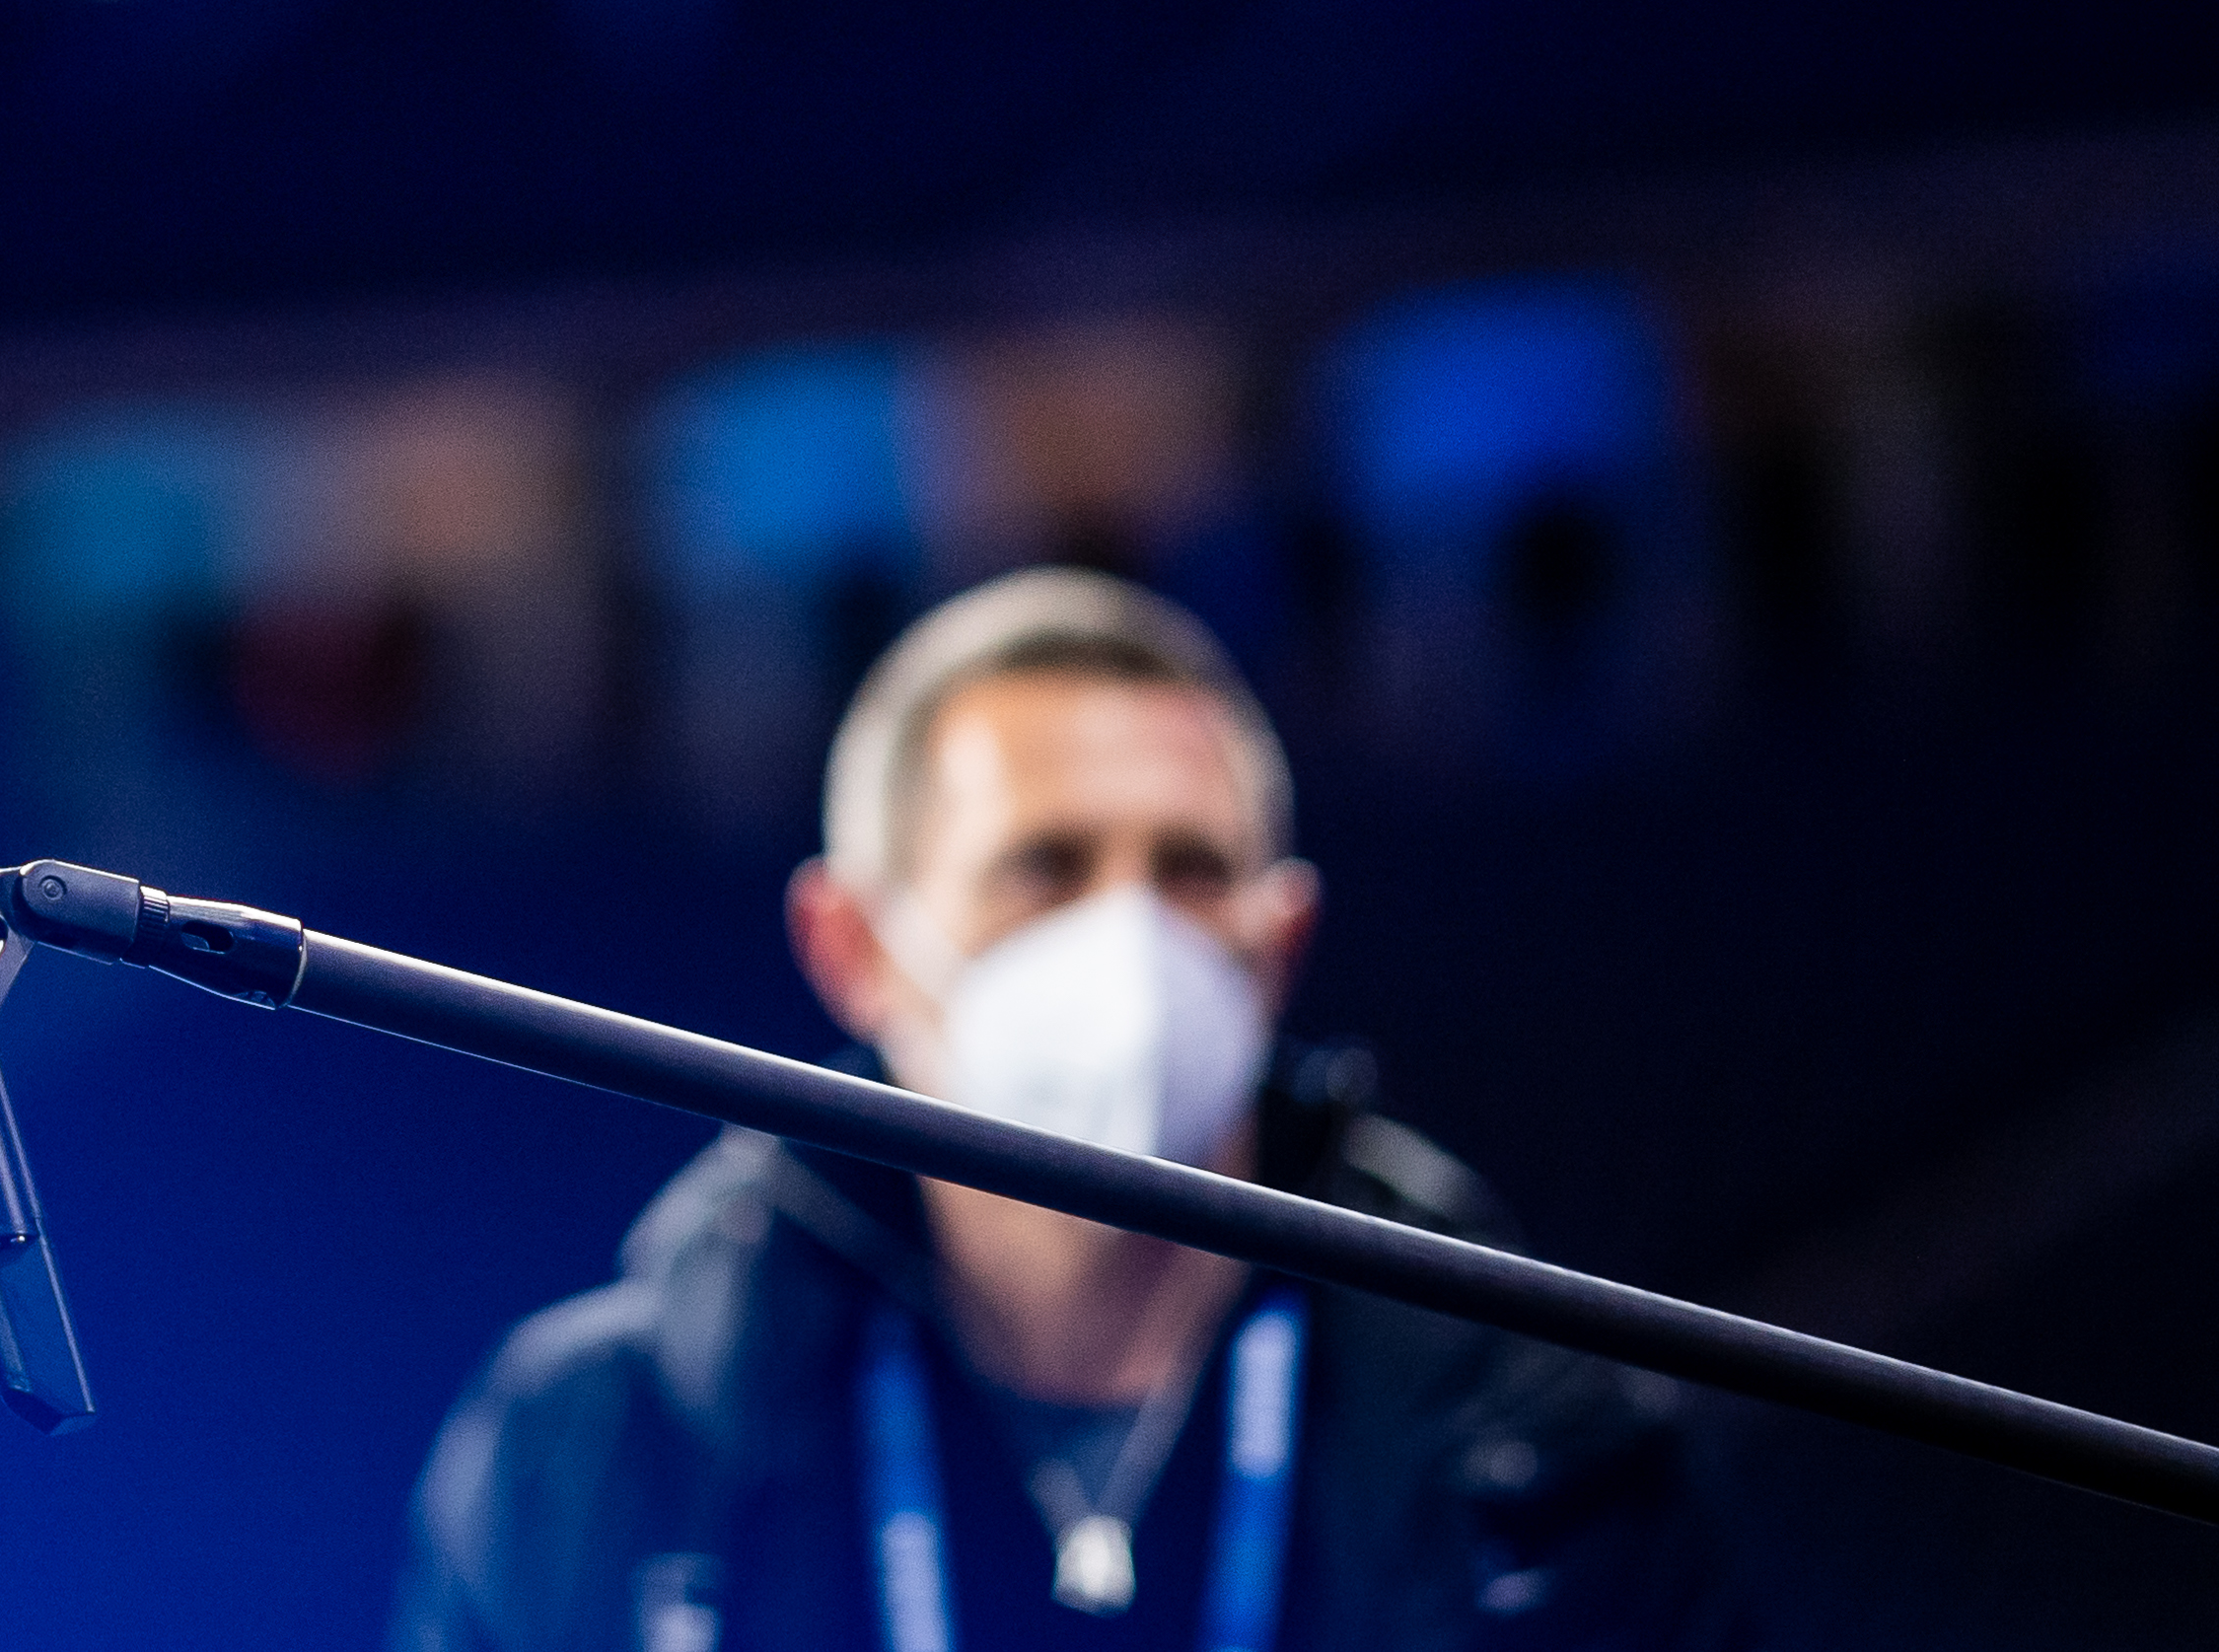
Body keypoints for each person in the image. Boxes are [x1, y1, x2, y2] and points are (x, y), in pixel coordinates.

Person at [394, 571, 1744, 1652]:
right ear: (851, 939)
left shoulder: (1539, 1433)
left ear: (1280, 941)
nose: (1130, 936)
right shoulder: (598, 1438)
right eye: (1044, 866)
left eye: (1191, 867)